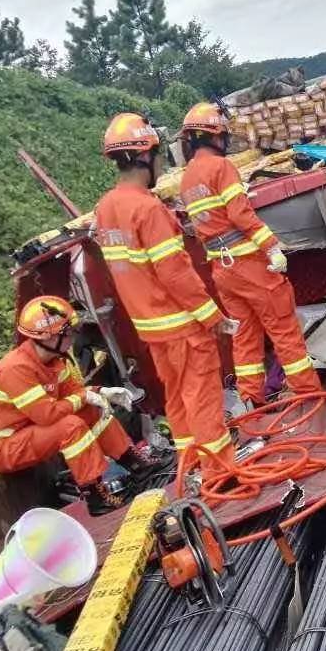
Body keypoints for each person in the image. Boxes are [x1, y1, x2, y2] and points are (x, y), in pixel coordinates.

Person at [93, 112, 237, 475]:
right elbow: (175, 272)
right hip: (183, 328)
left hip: (153, 330)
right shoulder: (147, 208)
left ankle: (191, 472)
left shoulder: (106, 208)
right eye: (158, 155)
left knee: (179, 402)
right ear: (145, 156)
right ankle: (221, 479)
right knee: (203, 401)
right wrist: (212, 316)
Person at [177, 102, 323, 407]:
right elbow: (240, 214)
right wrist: (271, 246)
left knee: (244, 340)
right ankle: (311, 396)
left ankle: (252, 403)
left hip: (223, 270)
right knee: (284, 331)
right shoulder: (221, 167)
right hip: (249, 264)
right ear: (216, 136)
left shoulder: (188, 177)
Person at [0, 296, 165, 515]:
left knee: (92, 409)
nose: (74, 334)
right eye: (68, 331)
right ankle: (97, 496)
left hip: (22, 432)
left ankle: (136, 463)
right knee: (70, 427)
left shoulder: (53, 360)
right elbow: (47, 415)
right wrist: (84, 397)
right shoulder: (15, 370)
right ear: (50, 337)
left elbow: (73, 394)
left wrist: (102, 392)